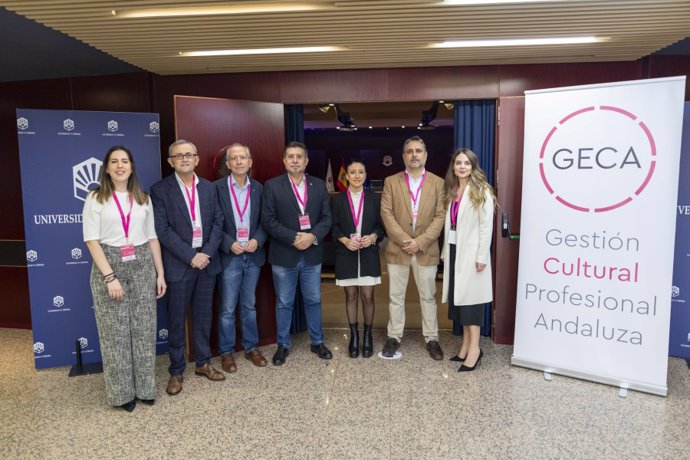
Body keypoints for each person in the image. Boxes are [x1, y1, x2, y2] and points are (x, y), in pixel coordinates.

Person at [82, 145, 166, 412]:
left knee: (144, 330)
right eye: (114, 162)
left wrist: (159, 273)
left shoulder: (143, 198)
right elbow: (91, 241)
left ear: (132, 167)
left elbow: (152, 237)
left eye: (125, 161)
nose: (120, 166)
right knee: (115, 334)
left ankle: (144, 388)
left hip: (142, 263)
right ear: (106, 168)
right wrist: (110, 277)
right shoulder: (95, 198)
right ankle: (122, 394)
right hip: (110, 264)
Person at [151, 139, 225, 396]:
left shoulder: (209, 188)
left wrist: (205, 253)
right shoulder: (160, 190)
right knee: (176, 320)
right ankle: (176, 370)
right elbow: (162, 230)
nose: (185, 159)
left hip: (206, 263)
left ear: (197, 159)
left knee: (204, 317)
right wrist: (189, 256)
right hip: (179, 265)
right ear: (170, 161)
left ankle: (203, 363)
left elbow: (218, 222)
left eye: (189, 154)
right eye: (179, 155)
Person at [261, 141, 333, 366]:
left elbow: (326, 218)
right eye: (290, 156)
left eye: (299, 156)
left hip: (311, 253)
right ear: (284, 160)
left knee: (313, 299)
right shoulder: (272, 186)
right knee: (284, 302)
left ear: (306, 160)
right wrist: (294, 237)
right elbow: (268, 220)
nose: (294, 160)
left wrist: (311, 237)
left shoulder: (319, 185)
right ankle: (283, 345)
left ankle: (317, 341)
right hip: (284, 254)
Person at [380, 136, 446, 360]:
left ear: (426, 155)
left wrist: (421, 242)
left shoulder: (439, 183)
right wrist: (406, 241)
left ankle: (432, 338)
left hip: (426, 249)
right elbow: (386, 214)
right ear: (403, 156)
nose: (414, 155)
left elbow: (440, 216)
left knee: (428, 297)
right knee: (395, 296)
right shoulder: (391, 181)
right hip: (398, 249)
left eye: (418, 151)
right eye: (409, 151)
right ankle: (394, 336)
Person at [215, 143, 268, 371]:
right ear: (228, 164)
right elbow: (212, 223)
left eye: (242, 157)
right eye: (234, 158)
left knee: (249, 305)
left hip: (253, 255)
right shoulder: (216, 189)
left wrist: (258, 239)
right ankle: (226, 352)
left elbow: (266, 221)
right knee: (227, 307)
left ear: (250, 161)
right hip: (230, 256)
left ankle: (251, 347)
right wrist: (228, 243)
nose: (238, 162)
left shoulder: (259, 188)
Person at [441, 148, 495, 372]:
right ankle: (465, 346)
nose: (462, 167)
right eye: (458, 163)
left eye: (467, 163)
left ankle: (475, 350)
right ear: (453, 166)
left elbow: (486, 227)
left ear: (473, 166)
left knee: (471, 303)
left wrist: (482, 255)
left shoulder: (481, 190)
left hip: (473, 256)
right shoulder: (452, 190)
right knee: (459, 302)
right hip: (454, 251)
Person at [331, 160, 384, 358]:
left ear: (365, 174)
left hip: (368, 254)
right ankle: (354, 336)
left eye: (361, 172)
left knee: (368, 297)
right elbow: (333, 226)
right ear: (347, 176)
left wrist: (373, 237)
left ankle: (368, 336)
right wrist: (345, 240)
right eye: (352, 172)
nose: (356, 176)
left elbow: (381, 226)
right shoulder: (337, 200)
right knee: (351, 296)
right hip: (346, 254)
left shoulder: (374, 198)